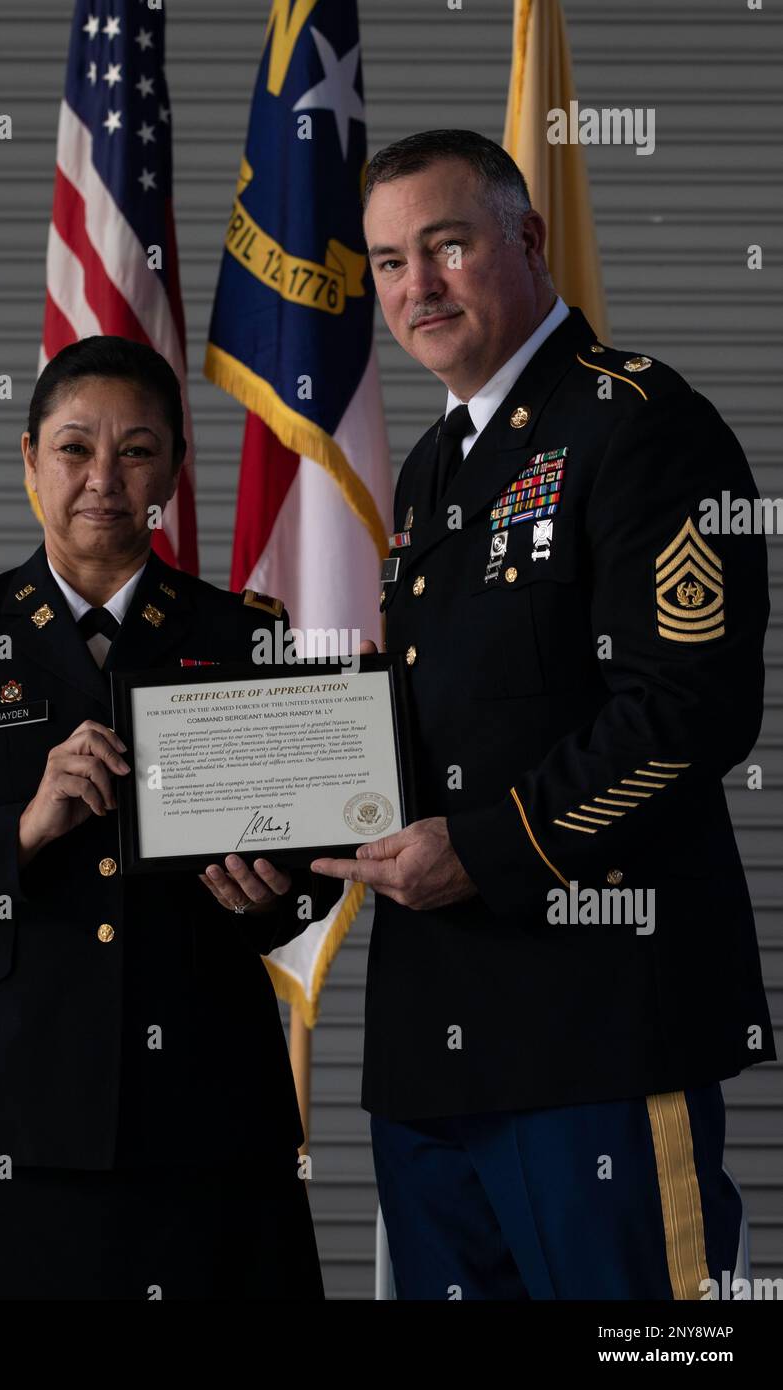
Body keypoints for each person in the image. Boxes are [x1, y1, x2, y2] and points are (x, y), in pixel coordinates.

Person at [312, 129, 775, 1300]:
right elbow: (450, 722)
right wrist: (280, 833)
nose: (417, 287)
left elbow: (691, 707)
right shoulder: (430, 469)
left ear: (526, 240)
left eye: (447, 246)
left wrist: (489, 849)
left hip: (599, 1031)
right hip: (434, 1043)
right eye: (389, 263)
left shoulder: (641, 424)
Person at [0, 335, 337, 1300]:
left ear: (175, 470)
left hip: (203, 1106)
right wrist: (21, 827)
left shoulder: (248, 635)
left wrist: (264, 895)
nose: (103, 479)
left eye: (137, 450)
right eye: (74, 448)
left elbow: (302, 880)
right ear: (29, 459)